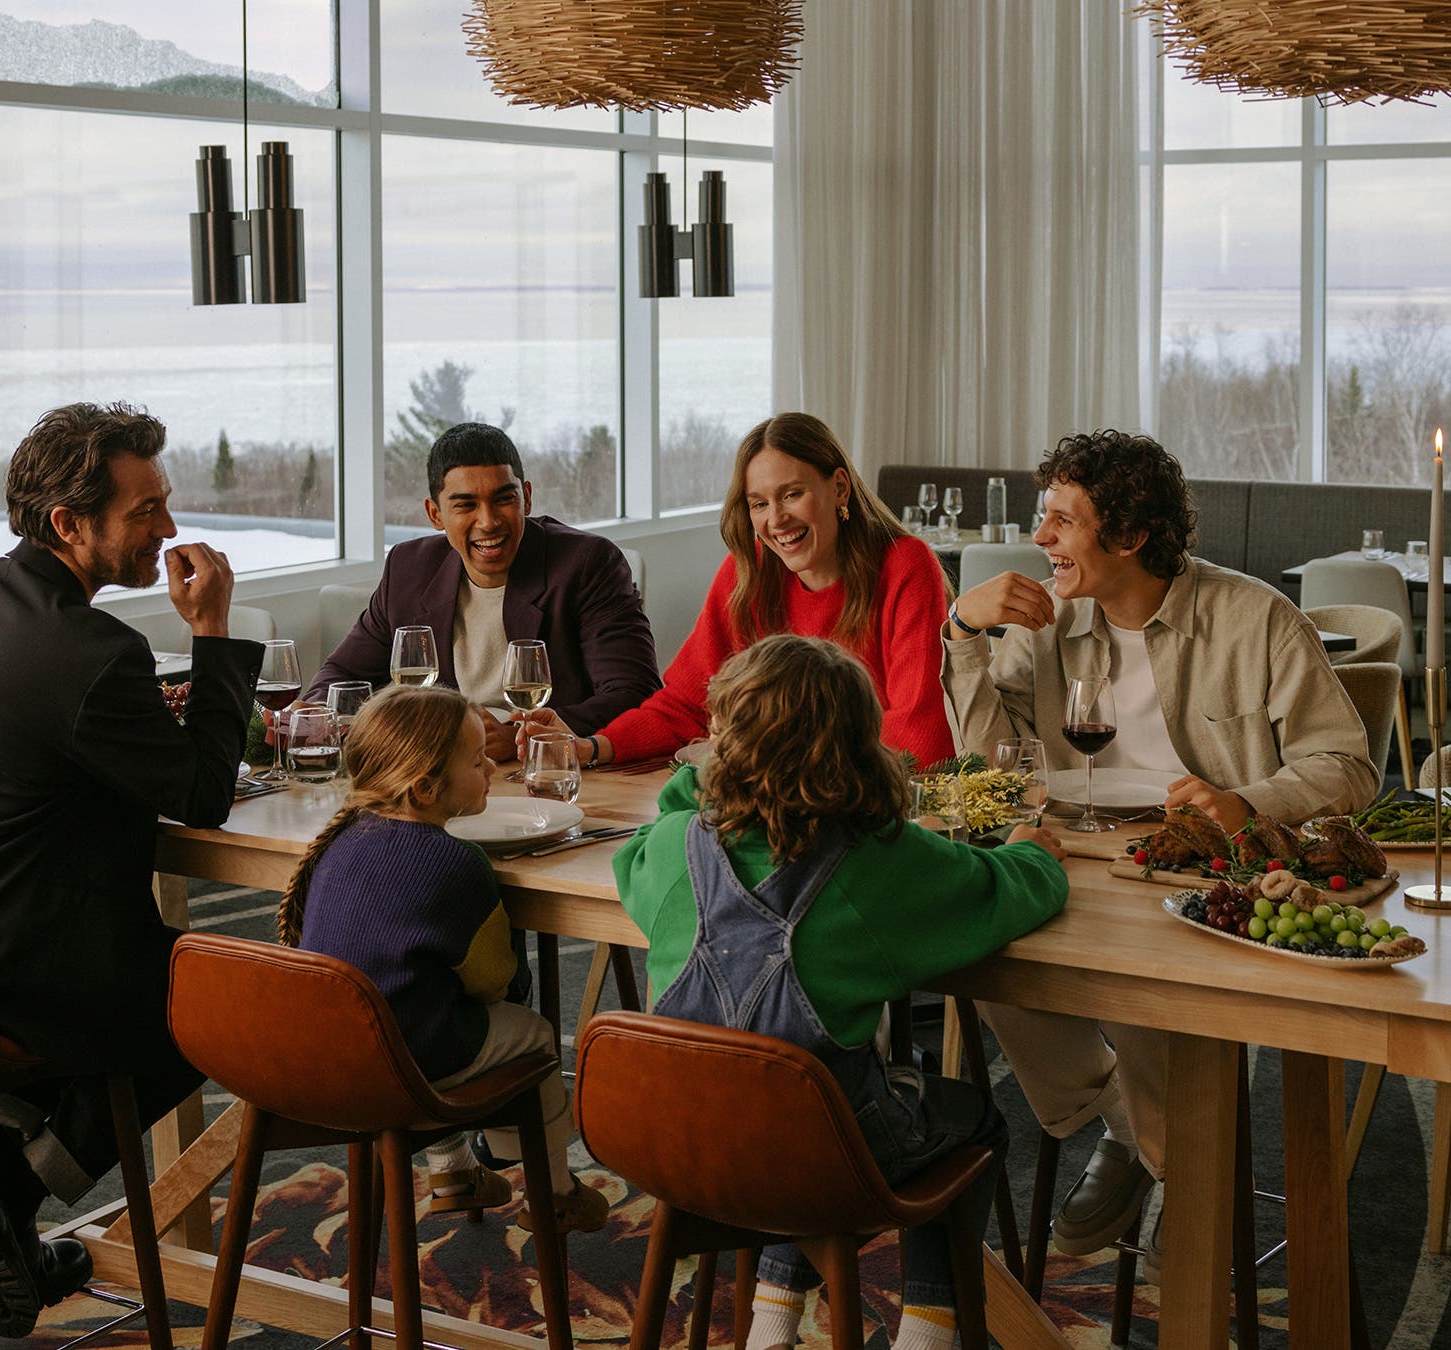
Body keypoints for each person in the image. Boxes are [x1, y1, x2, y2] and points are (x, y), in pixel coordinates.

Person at [0, 402, 263, 1335]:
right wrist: (216, 632)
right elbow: (201, 793)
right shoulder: (94, 651)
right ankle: (4, 1187)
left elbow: (5, 734)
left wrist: (139, 714)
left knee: (132, 977)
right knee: (202, 1006)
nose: (166, 530)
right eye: (145, 510)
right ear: (69, 524)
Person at [942, 427, 1378, 1269]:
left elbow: (1347, 766)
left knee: (1146, 984)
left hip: (1204, 871)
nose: (1042, 540)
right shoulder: (1048, 622)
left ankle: (1181, 1176)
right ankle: (1128, 1130)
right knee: (982, 957)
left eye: (1062, 521)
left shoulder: (1256, 620)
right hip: (1076, 855)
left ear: (1131, 534)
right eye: (1046, 519)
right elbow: (991, 769)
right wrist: (963, 631)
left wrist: (1245, 800)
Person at [614, 635, 1068, 1350]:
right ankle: (927, 1335)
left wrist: (700, 778)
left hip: (674, 1144)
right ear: (860, 744)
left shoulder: (673, 846)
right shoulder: (881, 858)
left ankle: (770, 1327)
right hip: (816, 1155)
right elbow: (1005, 893)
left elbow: (640, 846)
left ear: (722, 741)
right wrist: (1034, 854)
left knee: (789, 1098)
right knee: (968, 1119)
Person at [280, 684, 607, 1231]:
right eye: (478, 761)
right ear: (427, 786)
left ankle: (455, 1171)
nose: (489, 770)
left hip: (328, 1051)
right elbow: (494, 980)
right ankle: (553, 1188)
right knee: (532, 1034)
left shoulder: (338, 843)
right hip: (406, 1061)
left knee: (425, 996)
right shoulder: (457, 863)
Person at [525, 412, 955, 768]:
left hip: (875, 807)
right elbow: (687, 704)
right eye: (759, 503)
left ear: (839, 487)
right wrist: (594, 747)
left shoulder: (905, 565)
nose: (777, 519)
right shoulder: (749, 570)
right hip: (776, 800)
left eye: (792, 494)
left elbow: (920, 733)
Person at [308, 422, 660, 762]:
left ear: (527, 498)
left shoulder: (587, 563)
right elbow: (341, 674)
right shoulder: (408, 567)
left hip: (554, 773)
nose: (488, 521)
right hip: (444, 776)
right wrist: (310, 714)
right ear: (435, 514)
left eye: (504, 499)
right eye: (465, 505)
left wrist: (521, 738)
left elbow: (635, 693)